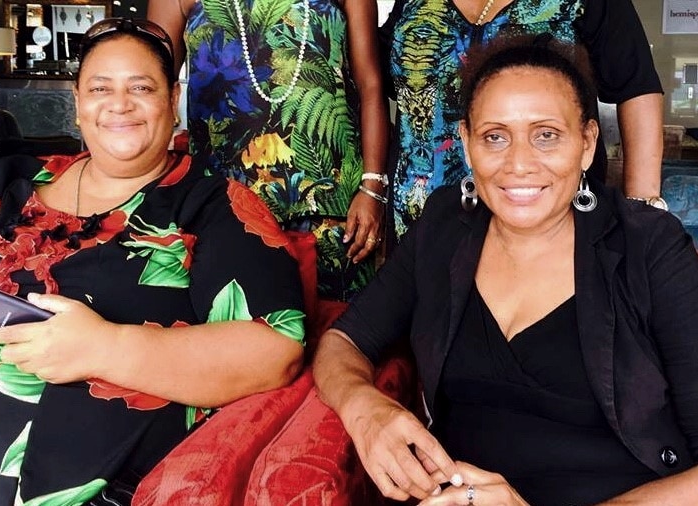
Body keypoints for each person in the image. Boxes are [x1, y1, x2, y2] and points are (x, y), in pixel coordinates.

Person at [313, 36, 698, 505]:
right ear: (467, 144)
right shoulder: (444, 228)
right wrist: (363, 407)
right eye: (495, 136)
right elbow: (344, 341)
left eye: (546, 135)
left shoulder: (649, 245)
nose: (518, 164)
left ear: (587, 144)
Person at [0, 18, 306, 505]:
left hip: (50, 475)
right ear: (77, 103)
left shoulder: (211, 206)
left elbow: (275, 350)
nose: (119, 103)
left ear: (172, 101)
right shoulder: (3, 184)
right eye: (100, 88)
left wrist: (103, 347)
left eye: (141, 87)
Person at [148, 0, 389, 301]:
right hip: (223, 207)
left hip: (332, 208)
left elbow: (370, 85)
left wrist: (373, 188)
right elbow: (152, 85)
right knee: (238, 331)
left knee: (339, 334)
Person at [380, 0, 665, 241]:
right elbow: (372, 80)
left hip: (548, 226)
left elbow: (637, 88)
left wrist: (641, 213)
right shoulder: (412, 4)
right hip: (419, 222)